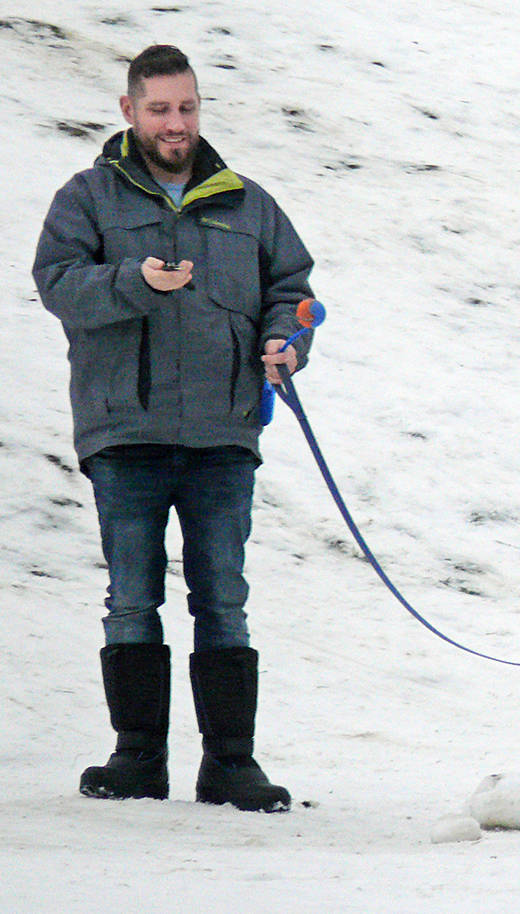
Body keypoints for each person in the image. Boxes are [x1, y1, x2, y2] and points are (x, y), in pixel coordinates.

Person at [33, 45, 316, 812]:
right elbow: (57, 284)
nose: (176, 123)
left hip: (222, 435)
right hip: (124, 433)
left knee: (223, 595)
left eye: (187, 108)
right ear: (129, 112)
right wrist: (134, 281)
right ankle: (138, 758)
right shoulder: (88, 198)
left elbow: (292, 290)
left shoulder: (247, 202)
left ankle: (231, 763)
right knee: (132, 595)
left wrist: (287, 343)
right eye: (159, 109)